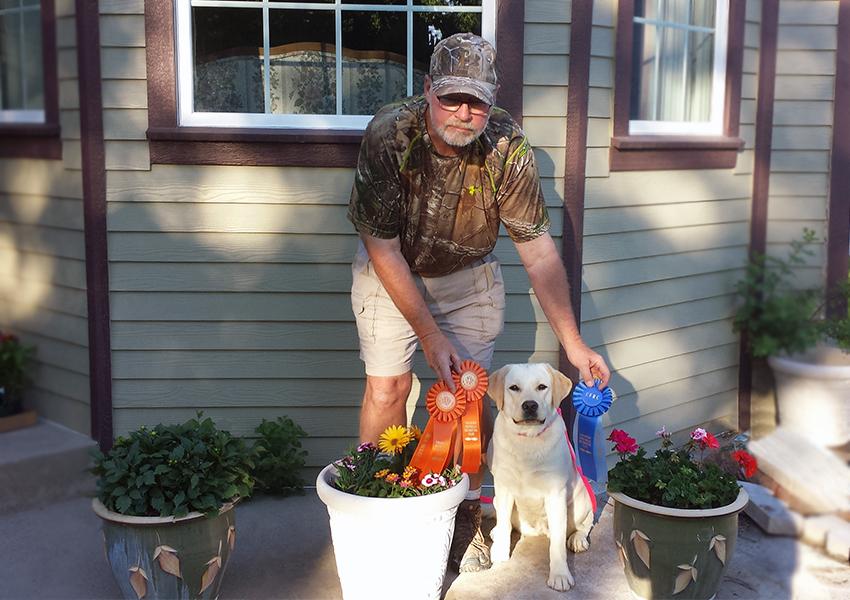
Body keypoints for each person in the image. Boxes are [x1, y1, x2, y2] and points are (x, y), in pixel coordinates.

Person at [347, 32, 611, 572]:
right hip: (390, 269)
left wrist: (574, 343)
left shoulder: (508, 146)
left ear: (491, 102)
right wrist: (429, 334)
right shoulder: (388, 134)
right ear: (428, 92)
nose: (464, 113)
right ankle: (374, 507)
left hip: (469, 279)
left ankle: (464, 520)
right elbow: (382, 247)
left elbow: (537, 254)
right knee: (388, 387)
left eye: (477, 101)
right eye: (451, 98)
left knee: (464, 399)